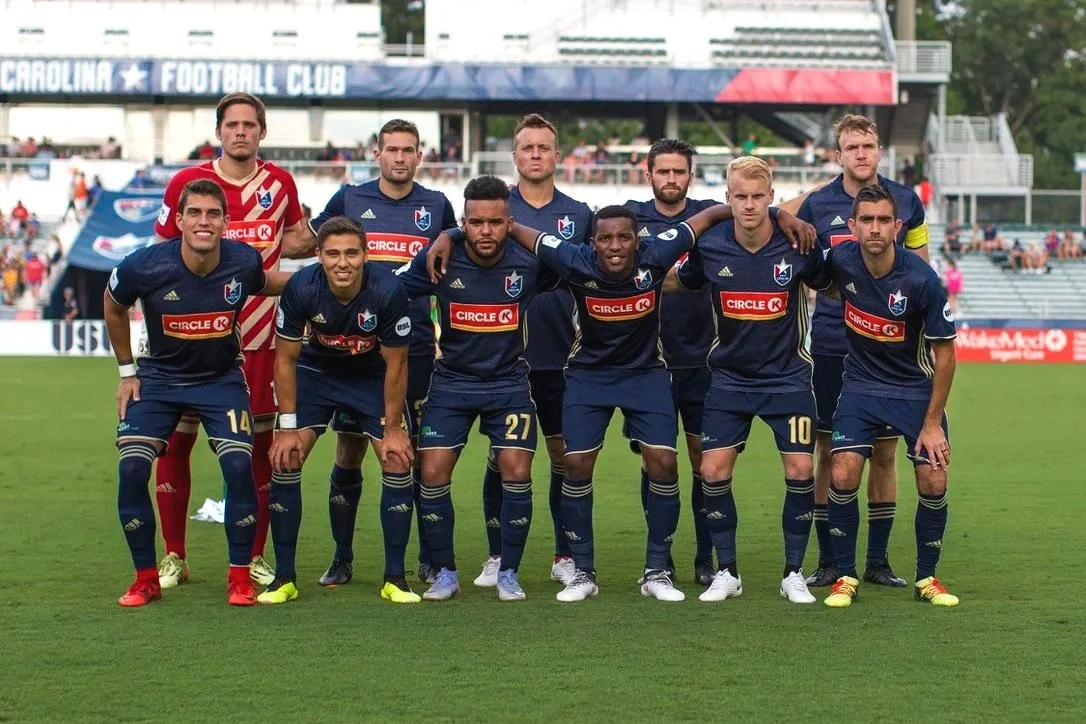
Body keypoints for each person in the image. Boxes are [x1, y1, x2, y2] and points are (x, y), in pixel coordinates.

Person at [429, 200, 815, 602]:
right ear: (591, 242)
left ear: (638, 240)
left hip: (645, 373)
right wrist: (451, 233)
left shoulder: (658, 254)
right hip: (588, 375)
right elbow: (508, 228)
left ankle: (657, 571)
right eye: (605, 238)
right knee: (575, 462)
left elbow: (713, 214)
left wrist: (776, 214)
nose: (615, 246)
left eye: (624, 237)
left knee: (664, 461)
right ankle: (583, 573)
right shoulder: (573, 260)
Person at [103, 178, 291, 607]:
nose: (203, 222)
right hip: (159, 381)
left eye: (212, 214)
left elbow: (267, 283)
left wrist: (332, 272)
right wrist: (127, 371)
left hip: (221, 380)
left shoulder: (243, 261)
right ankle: (146, 579)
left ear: (226, 222)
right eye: (194, 213)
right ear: (179, 220)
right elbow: (112, 304)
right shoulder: (144, 265)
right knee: (132, 469)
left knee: (240, 465)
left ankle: (240, 578)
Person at [151, 92, 308, 590]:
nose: (240, 131)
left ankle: (254, 555)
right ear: (218, 132)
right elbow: (159, 256)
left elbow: (299, 237)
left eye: (249, 124)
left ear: (262, 132)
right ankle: (174, 555)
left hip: (261, 339)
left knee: (257, 449)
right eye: (232, 124)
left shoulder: (280, 184)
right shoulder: (186, 183)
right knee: (175, 444)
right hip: (190, 340)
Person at [306, 118, 457, 586]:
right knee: (349, 450)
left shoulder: (436, 206)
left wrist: (451, 235)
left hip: (411, 349)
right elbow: (314, 246)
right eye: (390, 149)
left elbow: (453, 263)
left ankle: (428, 557)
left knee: (411, 450)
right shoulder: (349, 198)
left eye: (407, 150)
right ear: (377, 154)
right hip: (351, 352)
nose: (399, 157)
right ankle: (342, 556)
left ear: (419, 156)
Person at [395, 176, 560, 602]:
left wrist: (449, 233)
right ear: (464, 222)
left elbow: (574, 261)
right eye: (474, 222)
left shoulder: (530, 262)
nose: (485, 231)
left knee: (517, 470)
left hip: (509, 382)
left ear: (510, 222)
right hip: (451, 380)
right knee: (431, 473)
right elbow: (385, 288)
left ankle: (509, 573)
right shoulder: (438, 261)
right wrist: (444, 236)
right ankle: (446, 572)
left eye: (494, 222)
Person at [667, 156, 823, 603]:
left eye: (759, 197)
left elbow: (831, 282)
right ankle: (727, 572)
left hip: (789, 381)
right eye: (741, 196)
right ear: (728, 198)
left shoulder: (798, 244)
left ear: (771, 198)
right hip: (729, 382)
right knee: (712, 471)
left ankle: (793, 572)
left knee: (800, 470)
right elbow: (680, 282)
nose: (750, 205)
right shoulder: (710, 246)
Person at [793, 114, 930, 588]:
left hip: (891, 354)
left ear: (879, 151)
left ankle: (877, 561)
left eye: (869, 145)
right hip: (832, 346)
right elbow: (780, 220)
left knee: (886, 456)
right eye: (852, 147)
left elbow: (920, 270)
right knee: (828, 452)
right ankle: (831, 559)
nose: (862, 154)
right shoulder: (816, 203)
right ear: (839, 154)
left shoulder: (906, 201)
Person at [806, 185, 959, 608]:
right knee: (842, 472)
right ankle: (845, 577)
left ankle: (927, 578)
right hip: (859, 386)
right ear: (853, 227)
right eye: (866, 221)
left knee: (933, 476)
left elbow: (946, 355)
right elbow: (811, 271)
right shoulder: (841, 261)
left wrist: (932, 423)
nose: (875, 229)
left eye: (883, 221)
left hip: (914, 391)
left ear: (897, 227)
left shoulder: (921, 281)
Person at [465, 114, 592, 589]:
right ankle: (497, 555)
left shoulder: (579, 214)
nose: (536, 154)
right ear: (514, 156)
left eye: (544, 147)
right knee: (503, 457)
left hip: (561, 358)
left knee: (563, 456)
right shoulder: (495, 208)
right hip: (501, 360)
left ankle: (563, 554)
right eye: (527, 147)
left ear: (557, 155)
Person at [262, 217, 416, 604]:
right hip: (318, 372)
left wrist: (394, 428)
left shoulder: (388, 290)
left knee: (396, 458)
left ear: (365, 255)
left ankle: (395, 578)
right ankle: (286, 578)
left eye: (351, 253)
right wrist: (287, 427)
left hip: (371, 375)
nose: (342, 262)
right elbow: (284, 360)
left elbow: (397, 364)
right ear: (318, 256)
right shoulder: (301, 287)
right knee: (287, 457)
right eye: (332, 254)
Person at [623, 138, 718, 586]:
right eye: (663, 171)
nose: (671, 179)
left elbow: (754, 211)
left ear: (690, 176)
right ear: (649, 175)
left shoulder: (710, 215)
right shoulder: (630, 219)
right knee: (655, 460)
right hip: (648, 363)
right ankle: (661, 554)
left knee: (704, 460)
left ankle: (704, 555)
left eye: (679, 171)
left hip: (703, 361)